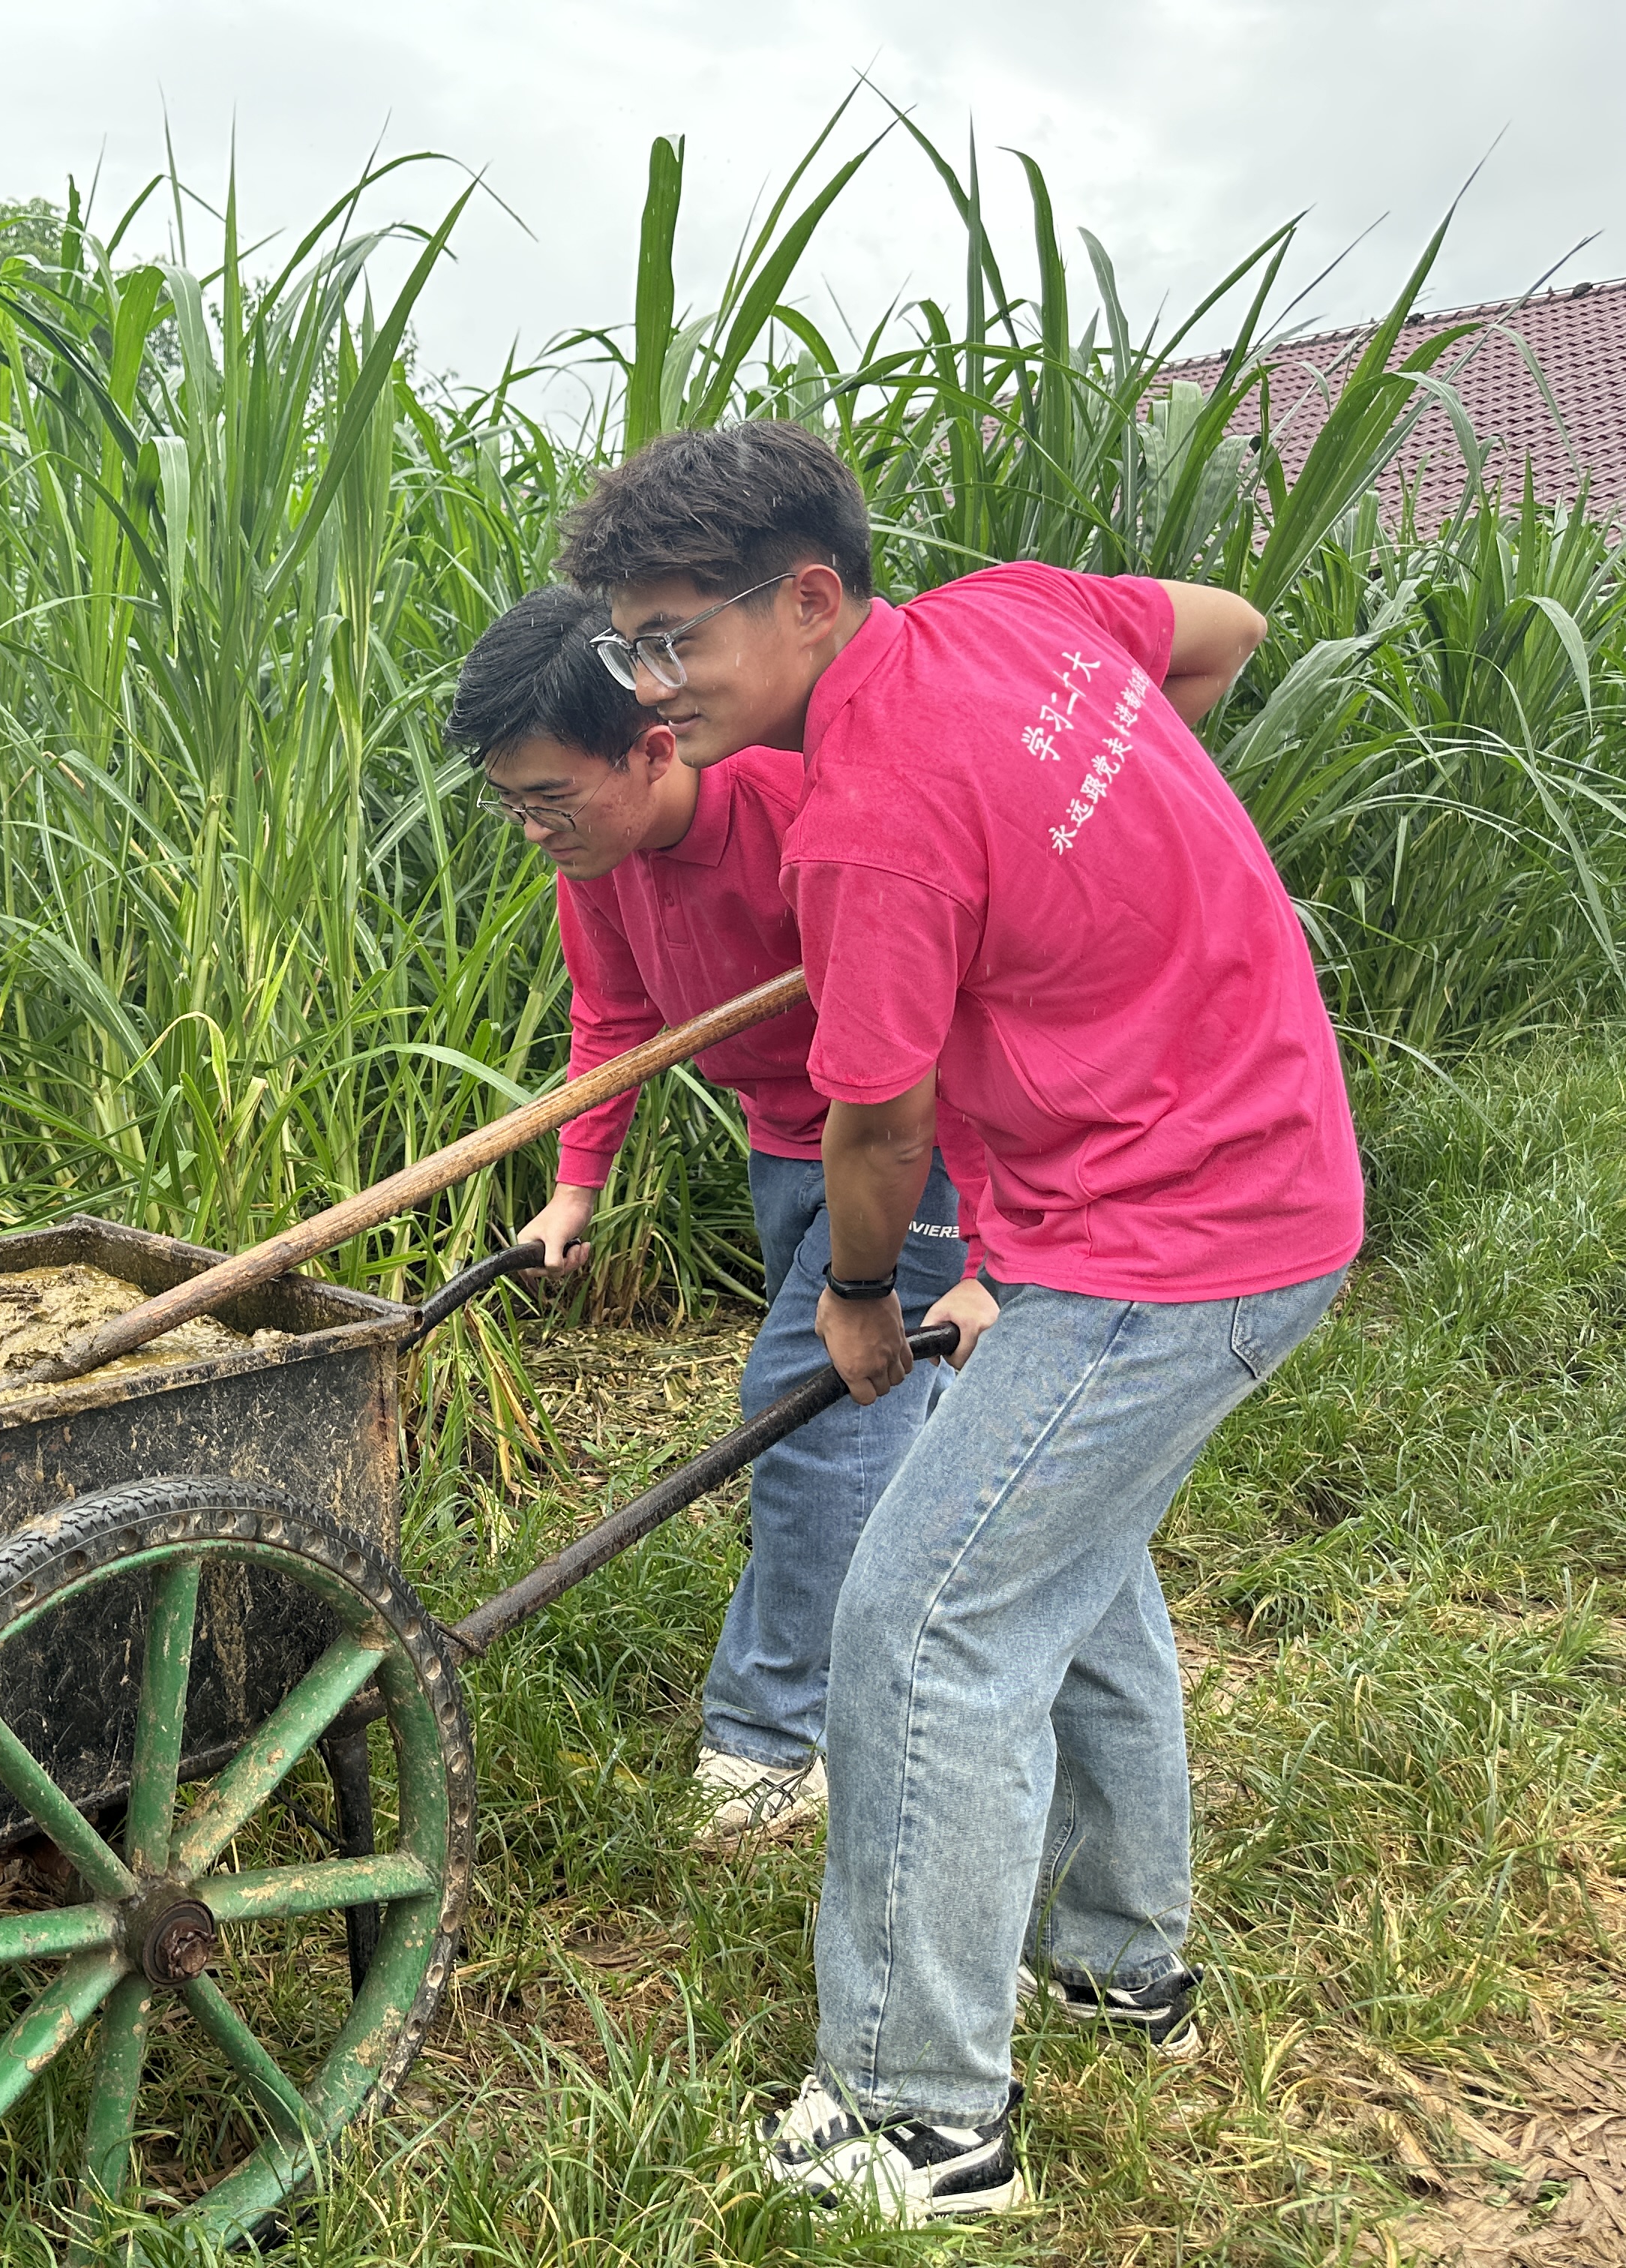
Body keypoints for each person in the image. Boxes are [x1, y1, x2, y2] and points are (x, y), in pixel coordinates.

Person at [556, 420, 1363, 2224]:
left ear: (810, 597)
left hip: (1172, 1238)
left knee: (922, 1623)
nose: (646, 684)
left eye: (675, 639)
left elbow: (877, 1134)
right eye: (628, 642)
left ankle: (922, 2120)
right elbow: (1221, 631)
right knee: (1069, 1565)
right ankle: (1116, 1960)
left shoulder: (866, 828)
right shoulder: (1013, 613)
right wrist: (1094, 857)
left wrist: (861, 1298)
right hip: (1251, 1174)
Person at [443, 584, 964, 1848]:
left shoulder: (802, 814)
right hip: (787, 1143)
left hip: (911, 1146)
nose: (533, 831)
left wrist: (988, 1240)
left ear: (652, 747)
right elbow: (616, 1021)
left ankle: (775, 1739)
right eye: (510, 806)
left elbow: (944, 1029)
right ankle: (929, 1620)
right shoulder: (599, 861)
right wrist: (576, 1187)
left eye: (550, 799)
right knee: (891, 1410)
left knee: (807, 1413)